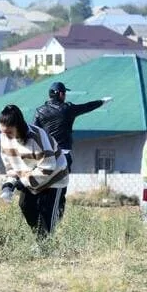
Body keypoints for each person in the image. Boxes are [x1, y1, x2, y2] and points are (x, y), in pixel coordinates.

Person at [33, 81, 111, 216]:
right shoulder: (67, 109)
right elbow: (86, 107)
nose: (65, 96)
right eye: (64, 93)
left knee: (44, 187)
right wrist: (102, 102)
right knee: (60, 189)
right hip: (63, 155)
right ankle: (57, 217)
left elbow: (33, 132)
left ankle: (41, 213)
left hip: (45, 156)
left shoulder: (40, 111)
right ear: (60, 94)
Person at [0, 104, 69, 240]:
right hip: (29, 177)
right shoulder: (5, 138)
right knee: (26, 206)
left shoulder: (36, 137)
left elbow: (48, 167)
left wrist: (22, 183)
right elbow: (11, 166)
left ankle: (46, 244)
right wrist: (9, 184)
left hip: (54, 176)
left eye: (9, 133)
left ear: (19, 127)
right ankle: (41, 241)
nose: (6, 136)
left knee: (47, 214)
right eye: (2, 132)